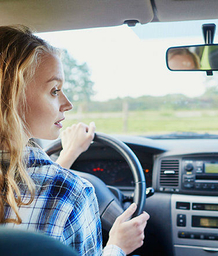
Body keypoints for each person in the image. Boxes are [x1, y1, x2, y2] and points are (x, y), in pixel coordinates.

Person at [0, 25, 149, 256]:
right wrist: (117, 246)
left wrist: (67, 156)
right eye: (54, 90)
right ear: (12, 95)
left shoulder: (58, 188)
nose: (67, 104)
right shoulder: (73, 192)